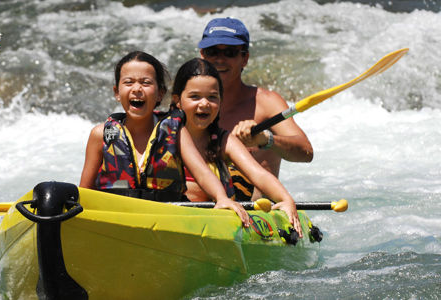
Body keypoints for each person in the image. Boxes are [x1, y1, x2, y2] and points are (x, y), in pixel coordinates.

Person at [79, 50, 250, 226]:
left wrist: (221, 197)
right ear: (117, 91)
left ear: (160, 93)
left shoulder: (175, 132)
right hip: (117, 221)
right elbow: (84, 192)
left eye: (146, 83)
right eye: (128, 82)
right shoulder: (100, 135)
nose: (137, 89)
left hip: (165, 221)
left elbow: (201, 171)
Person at [171, 58, 303, 236]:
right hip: (172, 212)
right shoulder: (164, 133)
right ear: (177, 100)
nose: (204, 104)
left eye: (212, 97)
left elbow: (259, 174)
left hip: (214, 218)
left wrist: (286, 199)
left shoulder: (224, 140)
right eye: (195, 97)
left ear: (220, 101)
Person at [197, 17, 313, 200]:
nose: (220, 60)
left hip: (257, 212)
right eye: (212, 52)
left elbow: (306, 152)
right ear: (202, 55)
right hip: (205, 207)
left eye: (230, 52)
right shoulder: (187, 104)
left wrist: (266, 139)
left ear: (245, 58)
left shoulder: (266, 103)